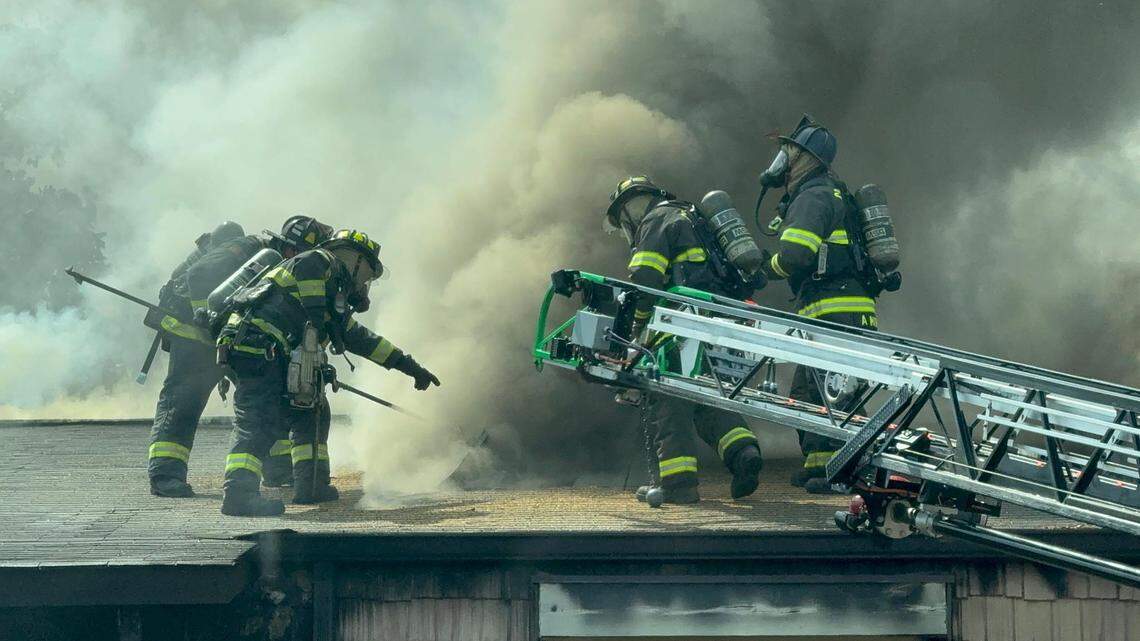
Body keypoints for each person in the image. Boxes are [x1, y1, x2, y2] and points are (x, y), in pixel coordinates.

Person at [215, 229, 440, 516]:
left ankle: (311, 486)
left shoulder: (330, 298)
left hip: (268, 351)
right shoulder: (318, 260)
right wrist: (322, 318)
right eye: (366, 274)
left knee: (312, 411)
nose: (364, 283)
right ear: (353, 259)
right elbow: (312, 305)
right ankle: (238, 495)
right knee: (258, 423)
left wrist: (410, 367)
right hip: (257, 346)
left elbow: (364, 340)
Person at [147, 216, 333, 498]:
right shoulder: (252, 249)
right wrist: (209, 322)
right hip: (195, 336)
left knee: (265, 398)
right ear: (292, 250)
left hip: (234, 339)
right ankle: (165, 475)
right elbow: (199, 275)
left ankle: (279, 471)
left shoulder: (276, 266)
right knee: (183, 402)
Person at [604, 176, 764, 505]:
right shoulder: (693, 216)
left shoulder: (654, 221)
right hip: (717, 323)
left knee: (667, 402)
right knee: (707, 398)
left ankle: (677, 487)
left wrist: (637, 327)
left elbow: (646, 279)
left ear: (630, 209)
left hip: (679, 327)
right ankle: (743, 451)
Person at [758, 116, 878, 494]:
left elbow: (795, 254)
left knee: (838, 395)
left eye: (788, 150)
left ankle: (851, 472)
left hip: (835, 311)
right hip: (828, 312)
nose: (781, 157)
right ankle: (822, 468)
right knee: (808, 396)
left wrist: (766, 268)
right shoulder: (822, 192)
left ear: (805, 157)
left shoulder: (815, 195)